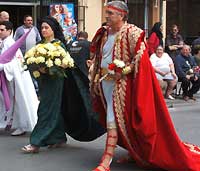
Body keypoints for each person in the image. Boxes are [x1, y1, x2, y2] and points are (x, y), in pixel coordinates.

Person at [89, 1, 200, 171]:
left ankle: (107, 159)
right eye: (107, 13)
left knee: (115, 118)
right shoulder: (103, 33)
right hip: (105, 82)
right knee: (122, 121)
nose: (107, 16)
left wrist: (124, 70)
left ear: (121, 15)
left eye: (110, 13)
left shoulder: (133, 33)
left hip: (124, 86)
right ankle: (136, 151)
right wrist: (96, 76)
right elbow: (98, 56)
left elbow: (140, 59)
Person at [22, 16, 105, 153]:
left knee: (46, 110)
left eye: (46, 28)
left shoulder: (59, 46)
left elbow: (64, 64)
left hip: (55, 82)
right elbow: (31, 62)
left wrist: (48, 68)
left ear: (53, 29)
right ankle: (58, 137)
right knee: (54, 108)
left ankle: (36, 142)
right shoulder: (39, 45)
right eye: (42, 28)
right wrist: (37, 68)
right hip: (44, 82)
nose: (43, 30)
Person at [0, 21, 38, 136]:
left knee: (20, 101)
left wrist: (1, 66)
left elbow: (17, 64)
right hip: (9, 79)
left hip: (17, 79)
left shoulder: (11, 43)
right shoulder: (4, 43)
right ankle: (10, 122)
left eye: (2, 30)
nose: (0, 32)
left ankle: (23, 125)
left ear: (9, 31)